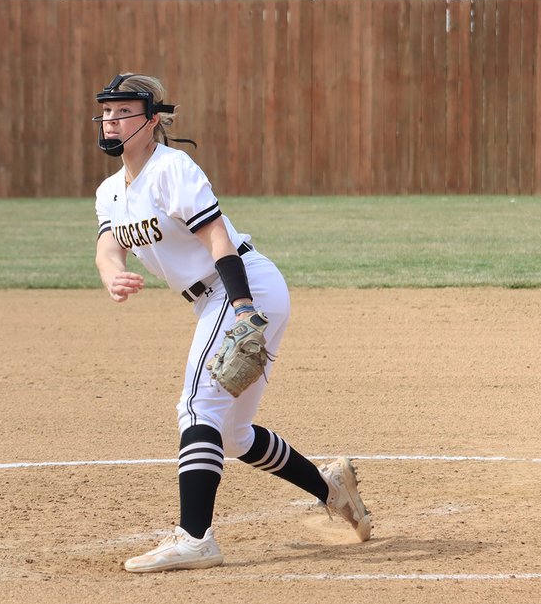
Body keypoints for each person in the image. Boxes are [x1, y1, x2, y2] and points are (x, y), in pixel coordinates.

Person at [90, 74, 371, 574]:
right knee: (234, 433)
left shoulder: (172, 169)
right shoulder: (110, 192)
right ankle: (331, 490)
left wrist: (242, 306)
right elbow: (108, 247)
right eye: (107, 112)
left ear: (152, 121)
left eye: (124, 111)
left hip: (240, 287)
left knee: (198, 404)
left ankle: (195, 539)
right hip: (218, 299)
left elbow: (217, 236)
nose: (112, 120)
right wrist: (114, 276)